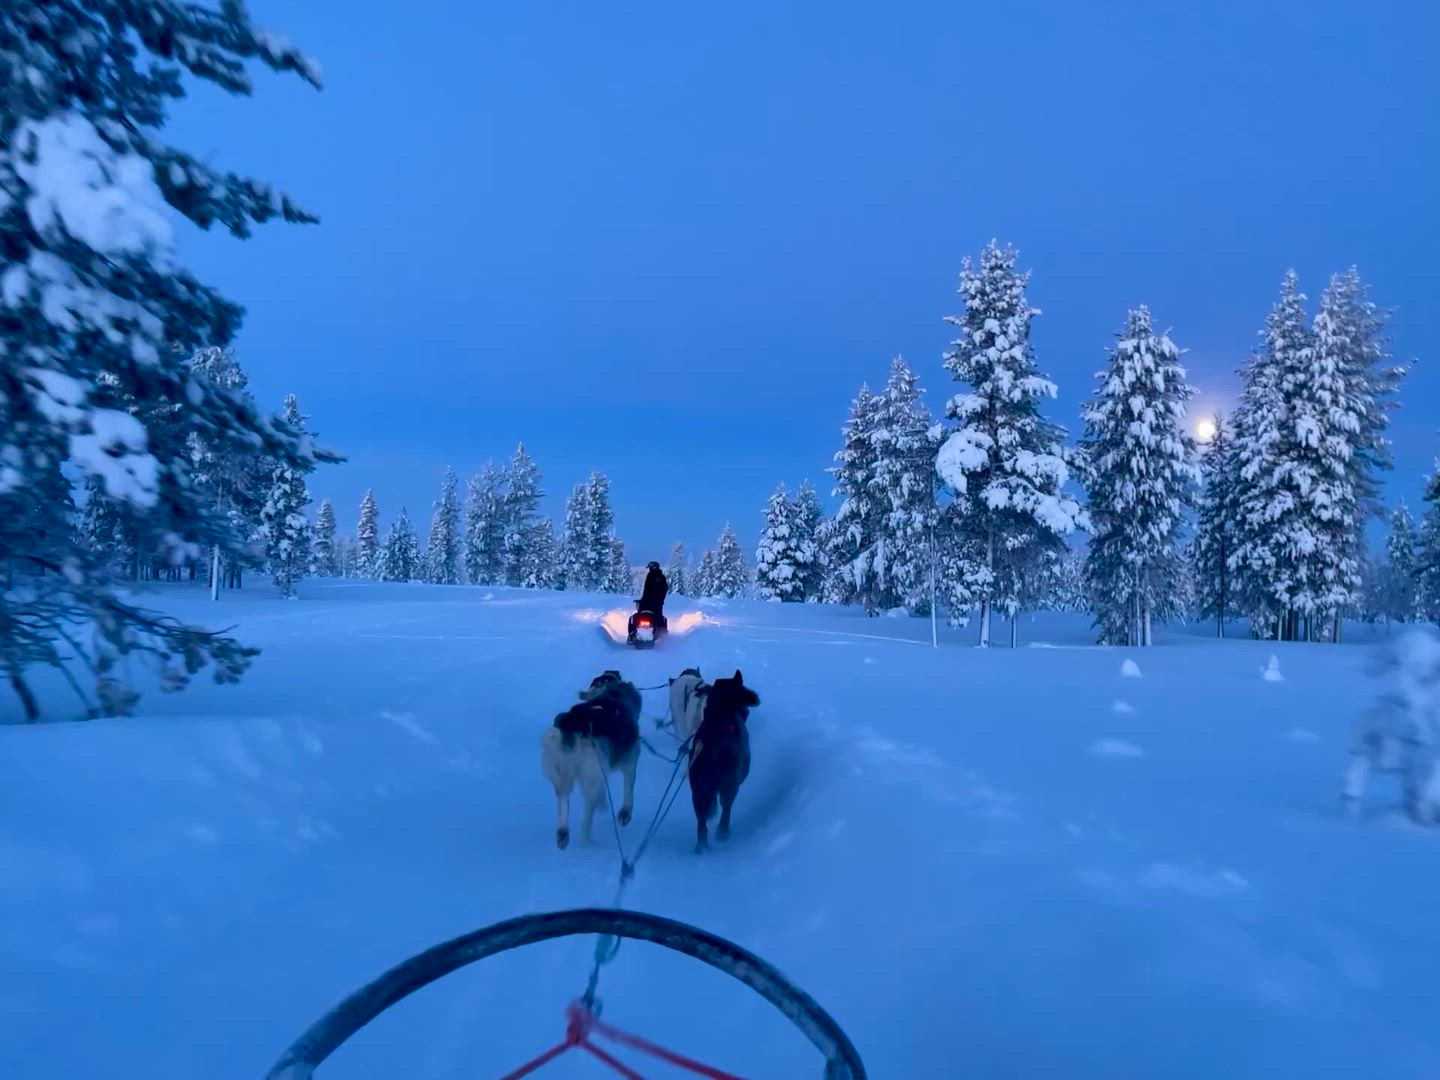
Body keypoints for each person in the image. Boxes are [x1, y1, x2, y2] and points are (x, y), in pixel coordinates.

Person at [631, 560, 669, 635]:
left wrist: (644, 599)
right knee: (659, 618)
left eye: (650, 568)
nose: (649, 569)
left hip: (647, 603)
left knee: (636, 617)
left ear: (652, 567)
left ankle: (632, 632)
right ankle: (661, 634)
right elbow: (664, 589)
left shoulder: (651, 575)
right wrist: (660, 600)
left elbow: (647, 590)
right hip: (657, 604)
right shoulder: (662, 577)